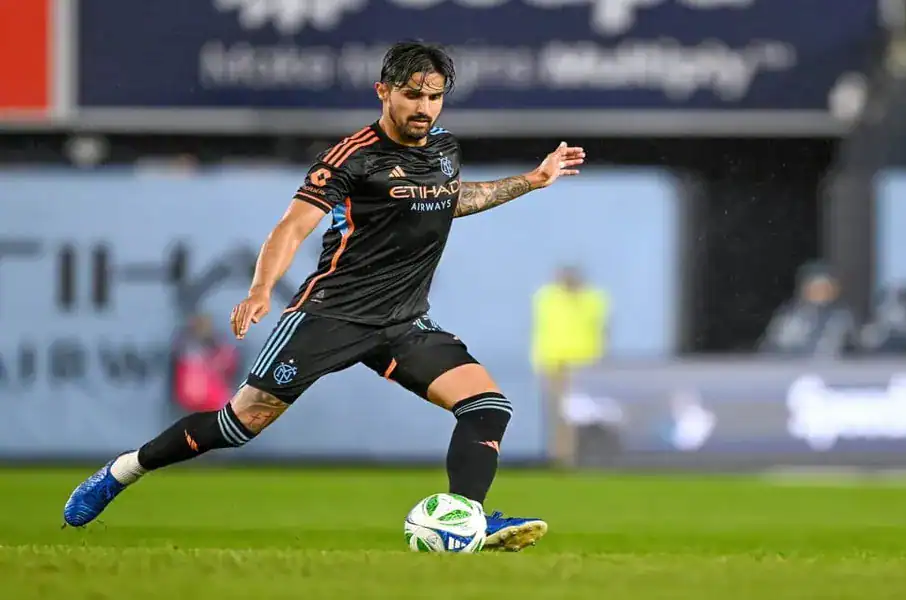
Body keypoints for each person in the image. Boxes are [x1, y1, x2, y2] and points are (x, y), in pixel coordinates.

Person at [63, 41, 586, 552]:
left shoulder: (444, 148)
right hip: (329, 315)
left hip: (402, 322)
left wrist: (531, 180)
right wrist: (261, 290)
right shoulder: (352, 158)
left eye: (434, 97)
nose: (423, 108)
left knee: (487, 406)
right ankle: (122, 472)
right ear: (384, 91)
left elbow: (450, 199)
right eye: (411, 96)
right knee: (237, 425)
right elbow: (292, 226)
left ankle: (464, 520)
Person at [530, 265, 609, 466]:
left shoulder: (593, 299)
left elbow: (602, 329)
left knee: (584, 412)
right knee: (561, 413)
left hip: (585, 365)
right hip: (556, 363)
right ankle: (562, 456)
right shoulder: (548, 297)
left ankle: (579, 455)